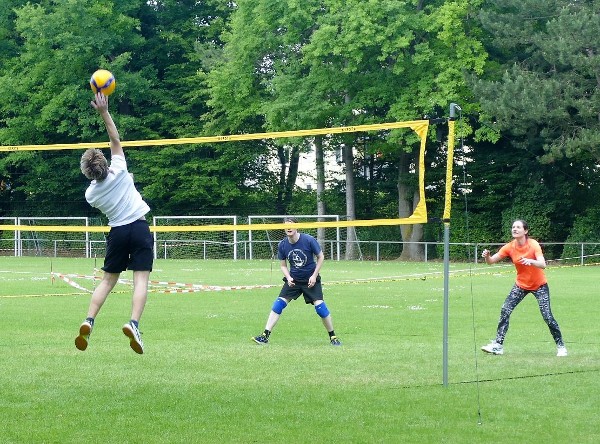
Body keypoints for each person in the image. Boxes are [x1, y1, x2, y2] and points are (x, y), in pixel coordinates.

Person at [75, 92, 152, 355]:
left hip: (117, 231)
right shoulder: (119, 168)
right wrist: (104, 111)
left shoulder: (91, 194)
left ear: (88, 173)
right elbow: (114, 138)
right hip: (139, 227)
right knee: (141, 280)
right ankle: (133, 323)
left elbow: (97, 176)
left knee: (107, 281)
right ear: (106, 163)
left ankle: (89, 320)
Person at [480, 219, 567, 357]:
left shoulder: (533, 245)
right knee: (505, 310)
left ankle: (561, 346)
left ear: (525, 231)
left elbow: (543, 264)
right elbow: (491, 262)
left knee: (547, 316)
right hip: (521, 285)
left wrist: (531, 261)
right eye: (513, 227)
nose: (515, 229)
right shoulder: (509, 247)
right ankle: (498, 346)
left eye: (518, 227)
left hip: (539, 286)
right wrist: (487, 256)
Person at [252, 217, 341, 346]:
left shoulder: (309, 240)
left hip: (310, 280)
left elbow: (320, 257)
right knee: (278, 304)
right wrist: (288, 277)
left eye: (291, 225)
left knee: (321, 308)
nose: (288, 228)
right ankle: (265, 336)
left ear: (297, 226)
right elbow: (283, 265)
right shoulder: (282, 244)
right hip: (293, 280)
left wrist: (314, 276)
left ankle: (333, 336)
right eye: (286, 226)